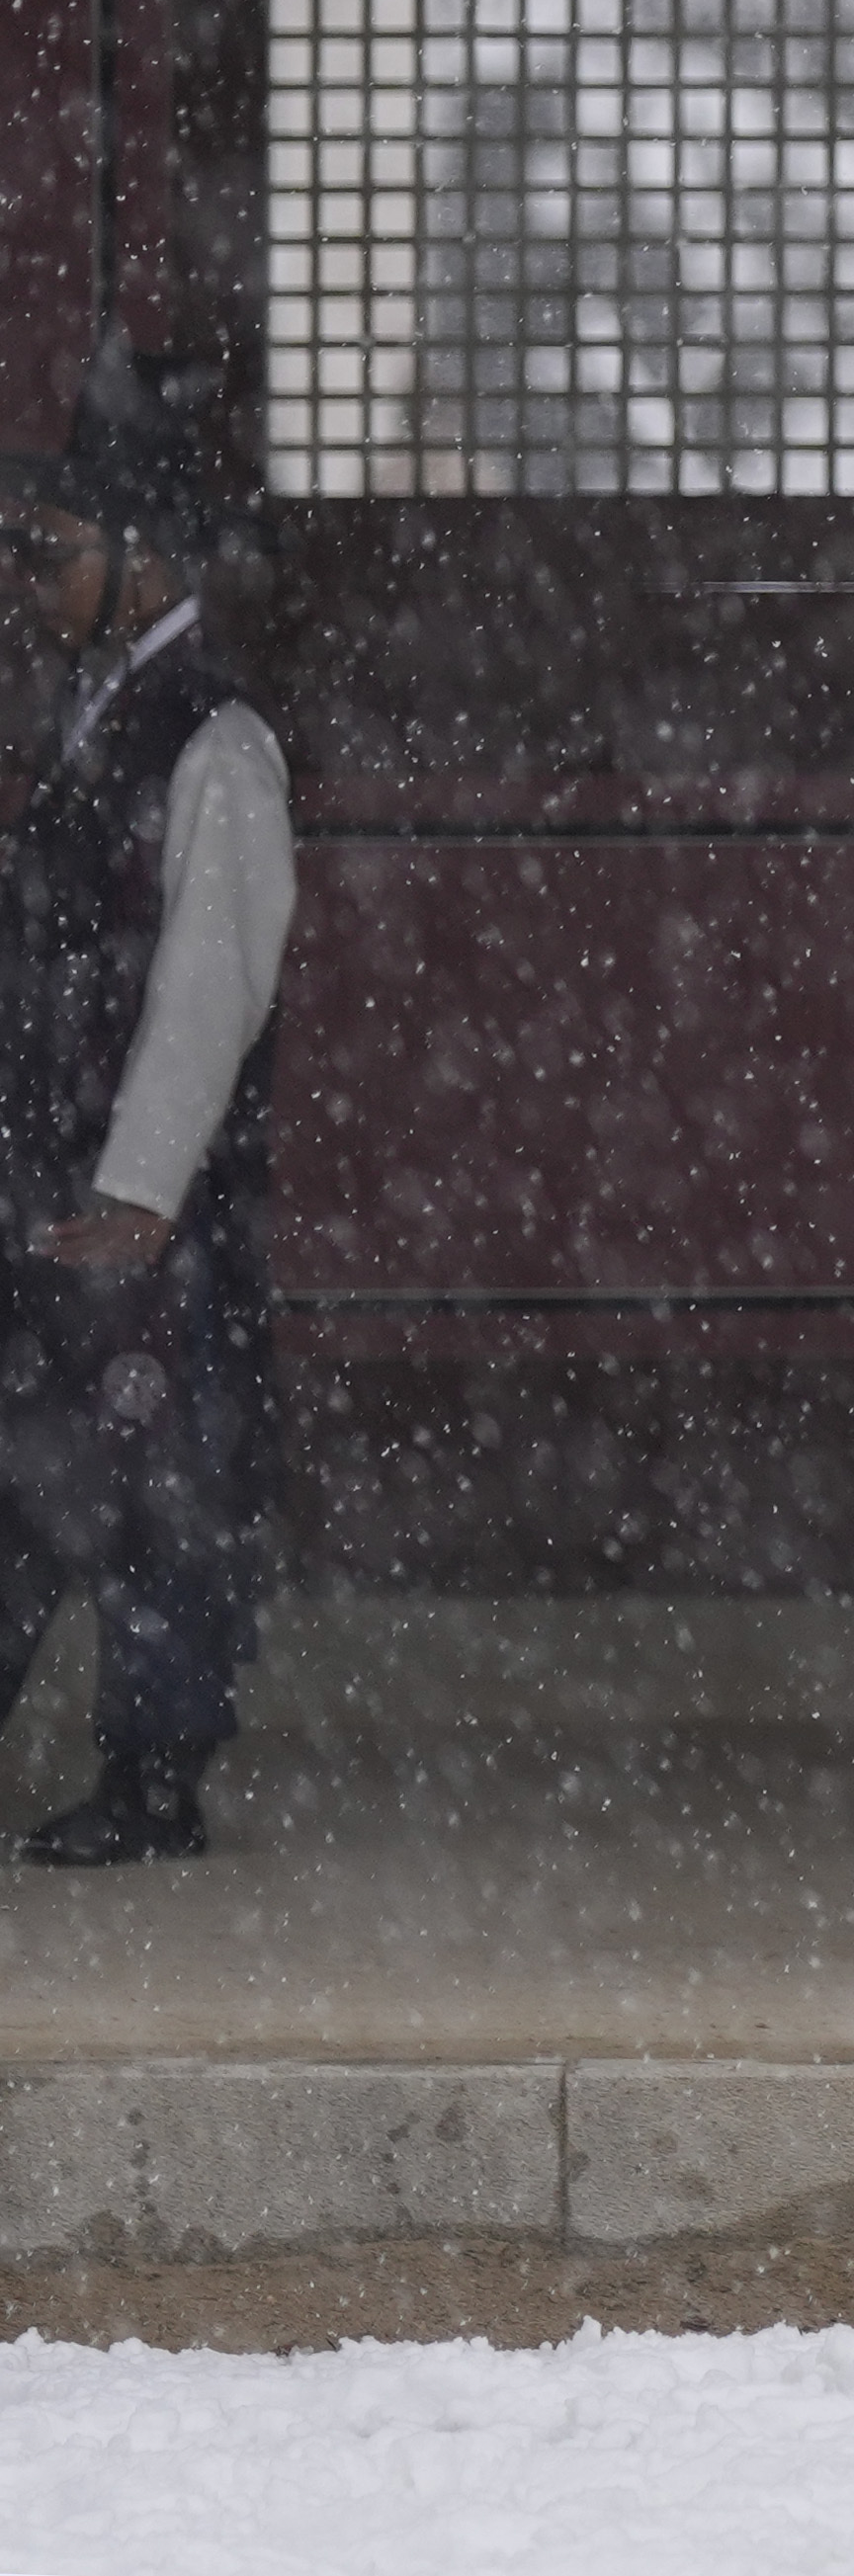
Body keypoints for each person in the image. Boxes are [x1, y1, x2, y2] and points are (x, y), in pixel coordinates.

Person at [0, 340, 297, 1870]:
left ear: (147, 555)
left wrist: (141, 1188)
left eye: (53, 552)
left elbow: (204, 986)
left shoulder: (213, 743)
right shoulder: (98, 723)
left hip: (146, 1213)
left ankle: (156, 1770)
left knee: (159, 1490)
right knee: (38, 1467)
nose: (31, 580)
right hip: (56, 1178)